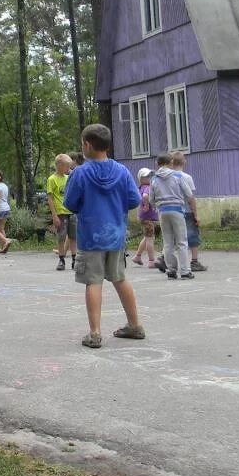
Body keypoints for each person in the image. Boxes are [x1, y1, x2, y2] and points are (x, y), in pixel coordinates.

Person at [63, 124, 145, 349]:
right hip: (116, 235)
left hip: (91, 237)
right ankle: (134, 324)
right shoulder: (121, 171)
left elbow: (69, 203)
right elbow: (134, 200)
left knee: (93, 281)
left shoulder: (80, 173)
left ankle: (95, 333)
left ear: (88, 145)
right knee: (119, 278)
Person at [151, 153, 197, 279]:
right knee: (182, 241)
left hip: (162, 211)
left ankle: (171, 270)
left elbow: (151, 199)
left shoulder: (154, 179)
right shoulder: (177, 176)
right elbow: (188, 194)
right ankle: (185, 271)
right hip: (177, 210)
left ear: (157, 164)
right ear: (171, 162)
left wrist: (159, 205)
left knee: (168, 242)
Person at [170, 151, 206, 272]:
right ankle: (194, 261)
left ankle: (166, 259)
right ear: (184, 162)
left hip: (173, 211)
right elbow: (191, 198)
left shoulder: (168, 177)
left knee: (173, 237)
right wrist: (196, 214)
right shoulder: (186, 177)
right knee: (192, 236)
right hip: (187, 212)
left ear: (171, 163)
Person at [45, 154, 76, 270]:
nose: (68, 169)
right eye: (66, 166)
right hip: (60, 213)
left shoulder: (68, 178)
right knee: (61, 237)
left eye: (69, 166)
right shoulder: (51, 179)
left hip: (71, 212)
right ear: (59, 165)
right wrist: (54, 215)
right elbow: (50, 198)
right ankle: (61, 260)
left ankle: (74, 259)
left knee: (73, 237)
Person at [131, 167, 158, 267]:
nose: (150, 178)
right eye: (147, 176)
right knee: (150, 238)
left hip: (144, 217)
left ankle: (137, 256)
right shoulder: (147, 187)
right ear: (141, 179)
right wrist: (147, 205)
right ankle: (151, 261)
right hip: (148, 217)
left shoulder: (141, 187)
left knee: (147, 237)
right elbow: (145, 196)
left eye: (150, 176)